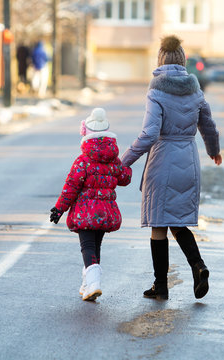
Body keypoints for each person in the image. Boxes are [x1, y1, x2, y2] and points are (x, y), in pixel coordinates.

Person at [121, 35, 222, 300]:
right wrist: (214, 150)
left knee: (158, 225)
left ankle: (161, 286)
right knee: (178, 221)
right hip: (188, 158)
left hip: (163, 160)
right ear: (183, 61)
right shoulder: (195, 88)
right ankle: (198, 265)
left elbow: (150, 133)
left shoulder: (156, 89)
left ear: (160, 61)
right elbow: (208, 125)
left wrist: (124, 160)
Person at [50, 108, 132, 301]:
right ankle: (88, 285)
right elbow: (125, 178)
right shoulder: (114, 161)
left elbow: (71, 186)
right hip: (106, 212)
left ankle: (94, 284)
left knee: (87, 247)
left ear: (86, 135)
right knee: (96, 247)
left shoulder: (83, 161)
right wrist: (126, 163)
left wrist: (59, 208)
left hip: (85, 212)